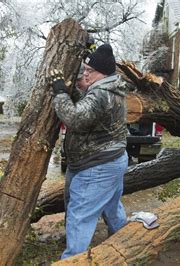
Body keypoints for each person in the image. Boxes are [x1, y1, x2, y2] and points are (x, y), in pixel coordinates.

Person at [49, 43, 129, 259]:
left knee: (80, 217)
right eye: (84, 69)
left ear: (101, 72)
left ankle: (73, 259)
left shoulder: (102, 93)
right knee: (111, 206)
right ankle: (126, 244)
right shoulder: (111, 88)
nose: (84, 73)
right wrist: (71, 92)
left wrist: (59, 93)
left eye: (89, 71)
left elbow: (76, 119)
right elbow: (88, 107)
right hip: (112, 159)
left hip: (97, 166)